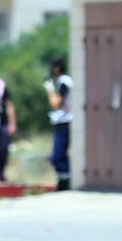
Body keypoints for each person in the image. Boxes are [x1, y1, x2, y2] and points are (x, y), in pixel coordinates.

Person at [44, 57, 73, 191]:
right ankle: (64, 180)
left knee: (58, 155)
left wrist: (49, 89)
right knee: (59, 155)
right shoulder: (65, 81)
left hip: (64, 122)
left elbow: (56, 104)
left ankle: (66, 182)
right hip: (63, 121)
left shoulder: (64, 82)